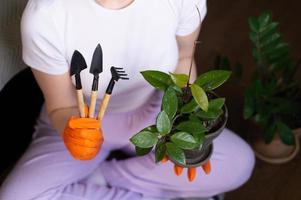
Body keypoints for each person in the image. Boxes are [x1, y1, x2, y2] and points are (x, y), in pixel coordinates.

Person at [0, 0, 255, 199]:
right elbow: (62, 105)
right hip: (82, 117)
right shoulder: (45, 16)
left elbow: (184, 60)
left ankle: (103, 178)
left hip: (157, 114)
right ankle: (155, 192)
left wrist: (182, 125)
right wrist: (73, 133)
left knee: (239, 164)